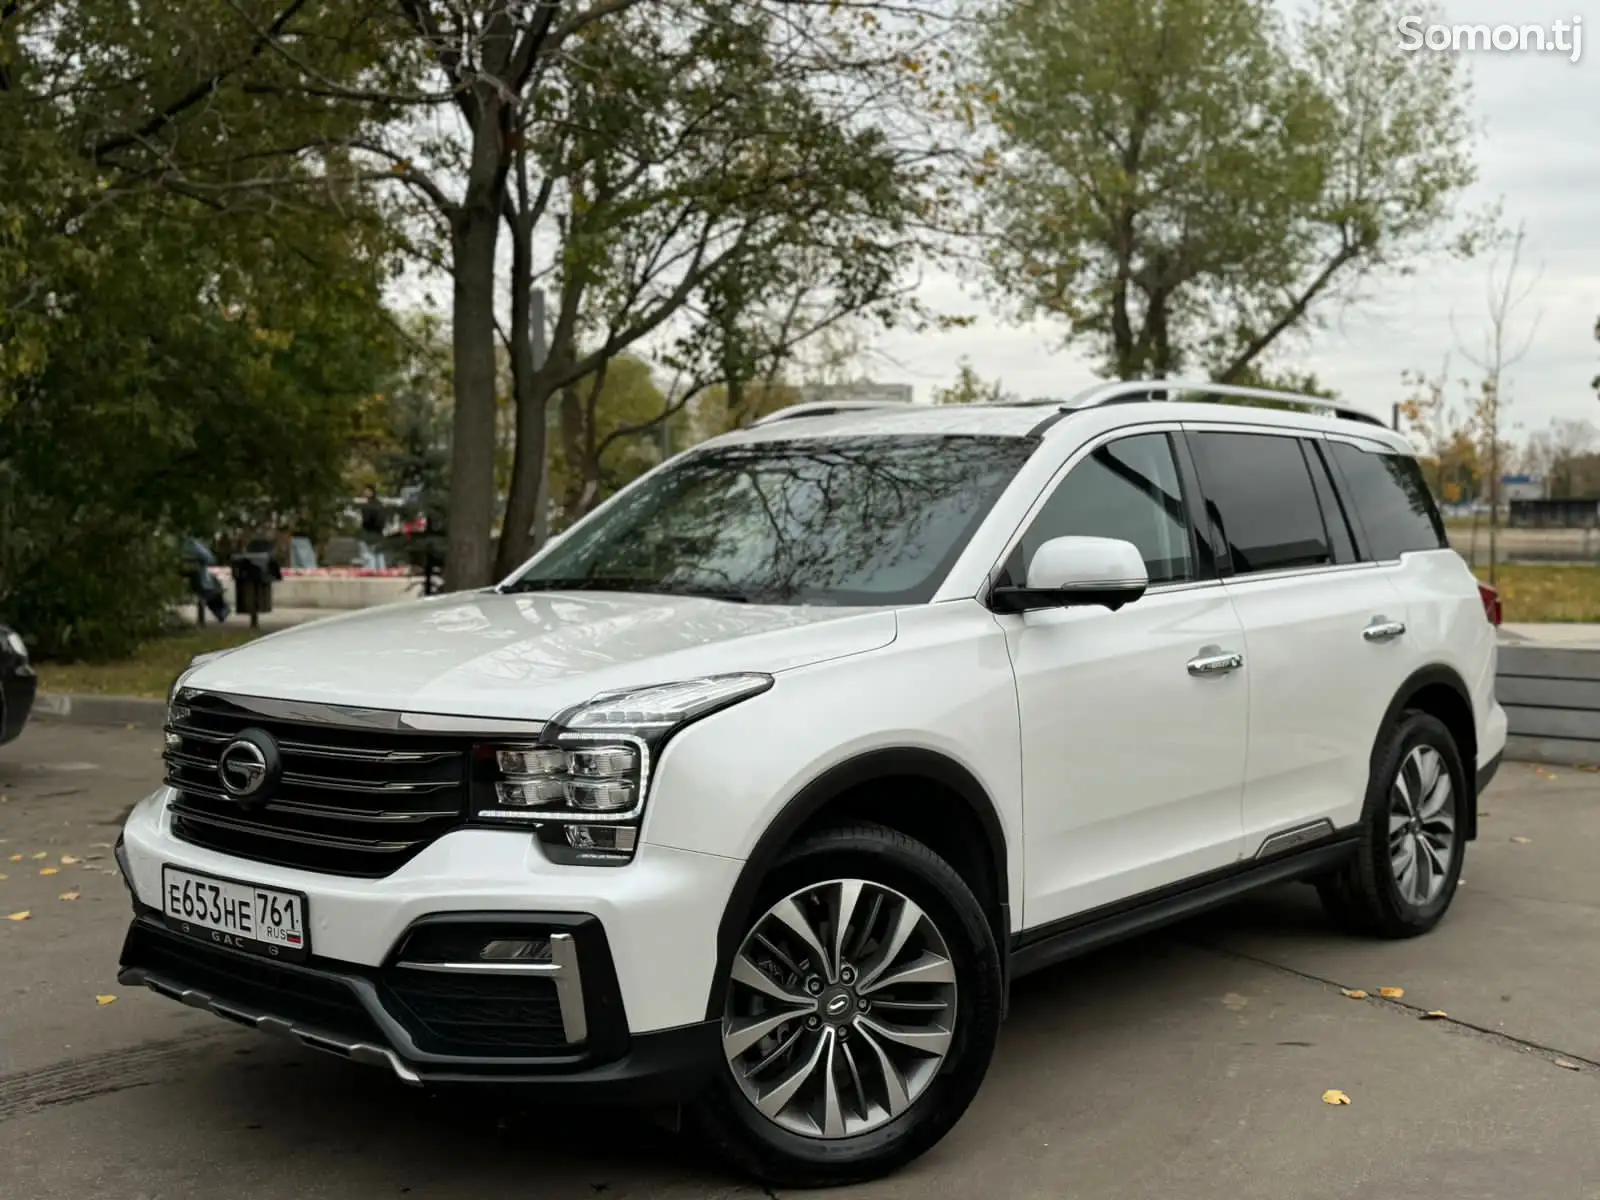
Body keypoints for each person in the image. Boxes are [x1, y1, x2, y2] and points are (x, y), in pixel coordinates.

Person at [180, 536, 229, 624]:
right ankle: (221, 611)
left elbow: (208, 558)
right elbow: (209, 558)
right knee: (210, 593)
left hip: (199, 576)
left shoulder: (191, 546)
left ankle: (220, 612)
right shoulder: (193, 545)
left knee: (209, 593)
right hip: (201, 577)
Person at [359, 486, 387, 569]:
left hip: (370, 532)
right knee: (379, 554)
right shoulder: (380, 505)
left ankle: (370, 570)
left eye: (366, 491)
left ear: (371, 492)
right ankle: (381, 570)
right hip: (379, 533)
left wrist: (366, 528)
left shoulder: (368, 506)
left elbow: (366, 521)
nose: (364, 493)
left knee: (368, 554)